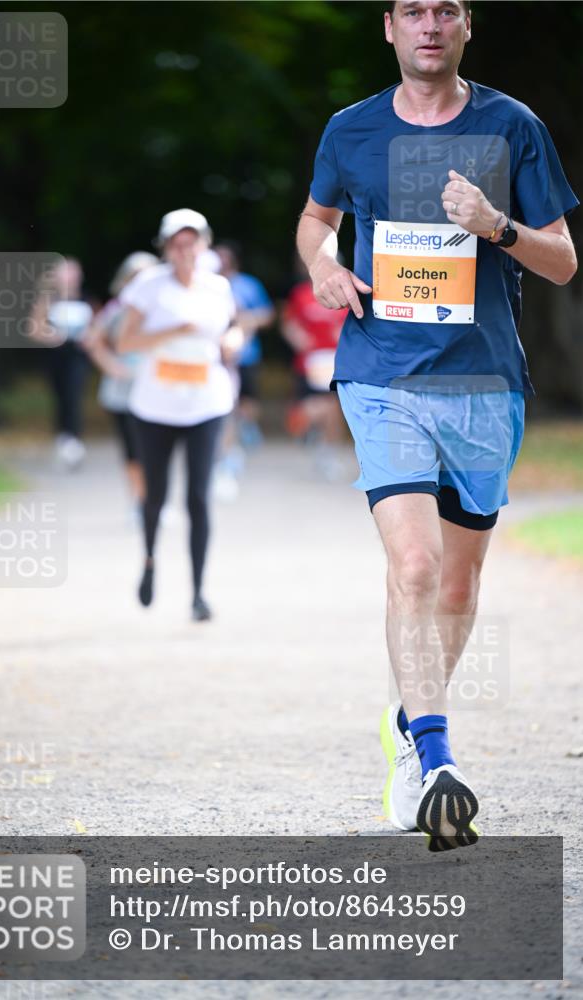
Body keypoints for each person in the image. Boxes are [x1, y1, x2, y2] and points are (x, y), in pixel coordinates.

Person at [297, 0, 578, 850]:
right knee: (412, 564)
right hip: (380, 371)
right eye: (412, 10)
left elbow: (562, 261)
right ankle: (434, 756)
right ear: (388, 27)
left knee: (456, 587)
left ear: (465, 27)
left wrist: (495, 226)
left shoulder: (511, 125)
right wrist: (323, 267)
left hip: (485, 382)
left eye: (445, 10)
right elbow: (318, 220)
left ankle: (404, 725)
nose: (429, 23)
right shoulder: (349, 129)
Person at [117, 209, 242, 622]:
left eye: (192, 242)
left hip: (206, 402)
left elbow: (232, 327)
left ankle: (199, 592)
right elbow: (125, 340)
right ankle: (150, 559)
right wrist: (173, 331)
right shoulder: (148, 286)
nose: (185, 250)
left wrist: (232, 341)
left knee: (199, 498)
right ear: (166, 247)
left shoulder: (217, 286)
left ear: (204, 244)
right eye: (177, 243)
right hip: (154, 406)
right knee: (156, 495)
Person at [84, 252, 158, 511]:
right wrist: (111, 366)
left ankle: (155, 498)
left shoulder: (163, 308)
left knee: (158, 448)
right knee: (133, 450)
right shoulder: (117, 310)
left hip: (157, 388)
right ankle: (138, 500)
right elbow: (93, 341)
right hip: (124, 390)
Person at [281, 261, 347, 481]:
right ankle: (309, 432)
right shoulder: (300, 294)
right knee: (312, 407)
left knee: (333, 407)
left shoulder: (344, 292)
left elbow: (351, 322)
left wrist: (344, 338)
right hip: (309, 361)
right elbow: (288, 322)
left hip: (334, 359)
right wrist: (297, 337)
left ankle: (328, 451)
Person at [29, 258, 93, 470]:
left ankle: (73, 440)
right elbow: (34, 328)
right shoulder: (49, 300)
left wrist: (88, 338)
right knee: (60, 398)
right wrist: (53, 336)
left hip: (78, 358)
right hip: (56, 358)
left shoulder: (86, 299)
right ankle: (64, 438)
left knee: (73, 395)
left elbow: (97, 328)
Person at [215, 241, 275, 448]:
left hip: (247, 352)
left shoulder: (248, 284)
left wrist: (247, 319)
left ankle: (246, 427)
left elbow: (268, 315)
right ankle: (227, 440)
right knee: (225, 398)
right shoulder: (206, 284)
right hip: (215, 354)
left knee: (248, 398)